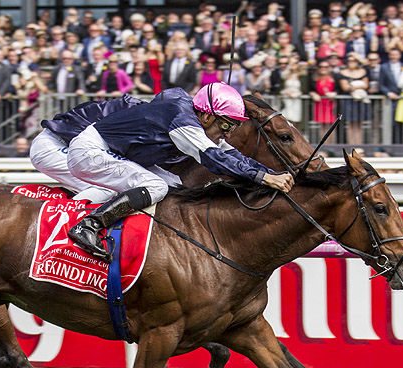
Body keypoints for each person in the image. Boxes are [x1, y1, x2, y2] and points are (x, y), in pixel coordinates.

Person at [66, 83, 294, 261]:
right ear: (207, 116)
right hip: (90, 151)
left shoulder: (199, 122)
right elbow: (216, 160)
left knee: (177, 186)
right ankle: (88, 226)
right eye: (226, 126)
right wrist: (264, 178)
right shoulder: (182, 120)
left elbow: (234, 155)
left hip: (112, 153)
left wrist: (272, 174)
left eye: (234, 127)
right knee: (157, 187)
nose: (229, 133)